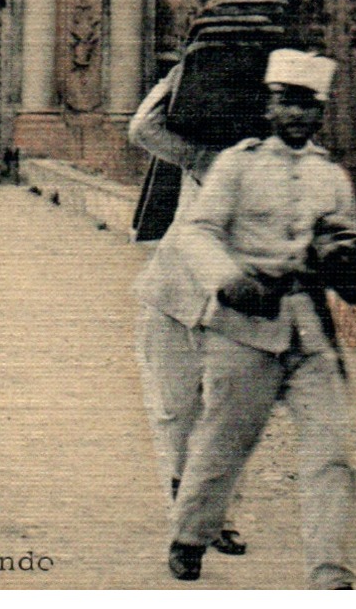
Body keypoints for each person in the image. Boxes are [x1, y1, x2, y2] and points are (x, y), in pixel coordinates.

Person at [164, 49, 356, 589]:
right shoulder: (239, 163)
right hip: (244, 326)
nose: (298, 116)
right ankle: (191, 533)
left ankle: (331, 574)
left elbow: (346, 242)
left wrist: (346, 257)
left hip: (310, 327)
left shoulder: (331, 176)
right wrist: (228, 281)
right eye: (288, 103)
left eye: (309, 106)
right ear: (269, 105)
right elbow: (197, 230)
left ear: (320, 112)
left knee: (333, 451)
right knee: (224, 441)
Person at [127, 62, 247, 563]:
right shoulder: (206, 159)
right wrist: (179, 75)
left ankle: (214, 518)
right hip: (173, 302)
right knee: (178, 416)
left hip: (230, 315)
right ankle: (189, 526)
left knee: (226, 421)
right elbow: (142, 129)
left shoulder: (287, 174)